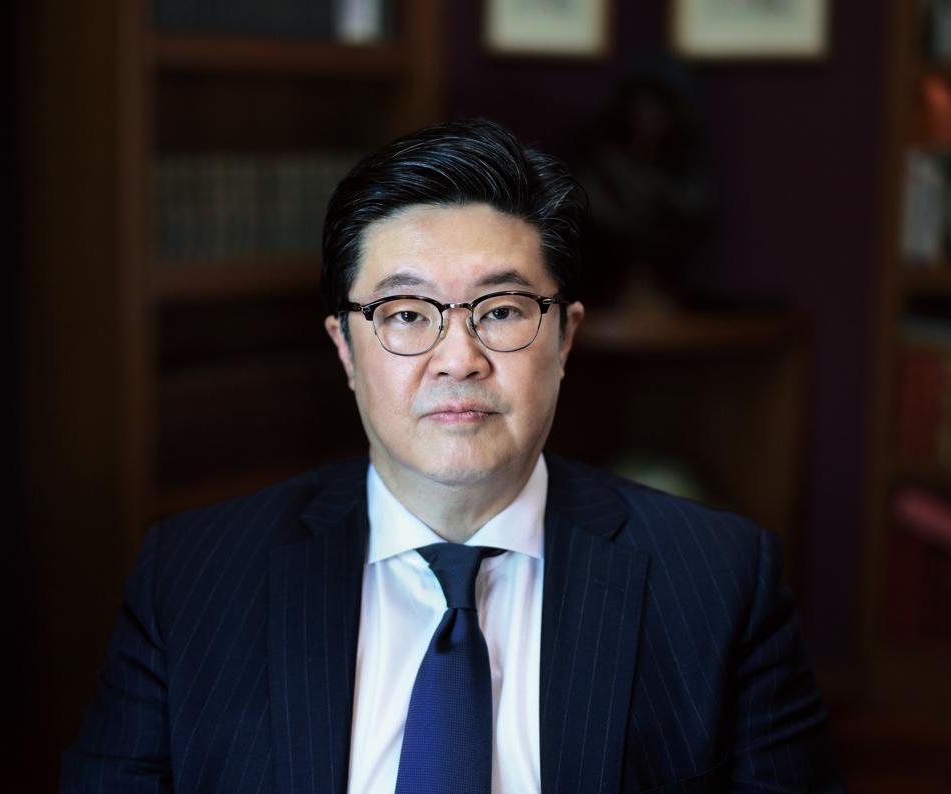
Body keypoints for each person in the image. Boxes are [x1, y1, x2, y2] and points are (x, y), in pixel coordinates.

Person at [62, 118, 843, 793]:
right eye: (406, 314)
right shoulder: (190, 582)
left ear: (565, 338)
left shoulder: (719, 585)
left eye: (501, 311)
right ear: (345, 348)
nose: (459, 359)